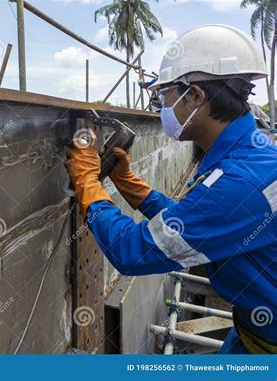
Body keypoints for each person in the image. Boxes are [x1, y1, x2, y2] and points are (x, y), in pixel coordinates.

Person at [65, 25, 276, 354]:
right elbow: (199, 222)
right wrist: (130, 186)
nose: (160, 107)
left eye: (165, 96)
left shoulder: (238, 182)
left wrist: (87, 182)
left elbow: (133, 251)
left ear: (194, 96)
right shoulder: (246, 155)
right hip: (252, 328)